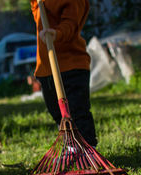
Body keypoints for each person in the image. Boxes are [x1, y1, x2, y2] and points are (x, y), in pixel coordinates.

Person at [30, 0, 97, 147]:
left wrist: (57, 33)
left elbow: (72, 24)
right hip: (46, 68)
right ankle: (72, 147)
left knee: (77, 111)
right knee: (57, 114)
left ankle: (88, 149)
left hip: (71, 65)